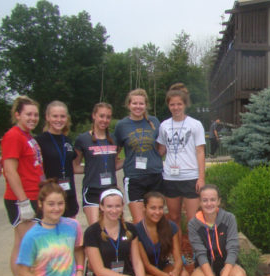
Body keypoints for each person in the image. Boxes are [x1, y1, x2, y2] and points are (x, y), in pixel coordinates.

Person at [83, 189, 168, 276]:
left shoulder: (129, 229)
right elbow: (98, 270)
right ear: (101, 207)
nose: (114, 210)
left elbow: (136, 261)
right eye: (109, 206)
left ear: (123, 206)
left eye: (117, 206)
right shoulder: (92, 232)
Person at [2, 96, 45, 276]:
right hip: (21, 198)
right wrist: (22, 201)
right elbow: (10, 171)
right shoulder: (13, 136)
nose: (32, 118)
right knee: (28, 244)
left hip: (33, 194)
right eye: (28, 114)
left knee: (21, 242)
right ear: (17, 114)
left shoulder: (27, 136)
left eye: (35, 114)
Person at [188, 184, 247, 276]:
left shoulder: (229, 218)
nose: (209, 203)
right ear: (200, 202)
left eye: (213, 200)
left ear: (219, 201)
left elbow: (233, 249)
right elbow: (200, 254)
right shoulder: (193, 224)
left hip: (226, 263)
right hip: (205, 265)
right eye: (205, 200)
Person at [156, 83, 206, 228]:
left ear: (185, 104)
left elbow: (200, 151)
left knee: (193, 220)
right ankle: (177, 251)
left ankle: (195, 251)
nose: (176, 107)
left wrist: (201, 178)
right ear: (168, 105)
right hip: (170, 177)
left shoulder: (195, 124)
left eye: (179, 104)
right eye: (172, 104)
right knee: (173, 218)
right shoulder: (164, 125)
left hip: (190, 177)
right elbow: (161, 150)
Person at [114, 89, 163, 223]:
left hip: (155, 176)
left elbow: (161, 147)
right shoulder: (121, 125)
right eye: (134, 103)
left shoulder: (154, 122)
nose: (138, 106)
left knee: (155, 220)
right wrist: (128, 160)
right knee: (140, 222)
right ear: (129, 105)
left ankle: (156, 245)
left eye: (141, 104)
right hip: (134, 178)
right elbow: (115, 152)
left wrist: (155, 159)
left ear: (146, 105)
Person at [136, 191, 190, 276]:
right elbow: (145, 265)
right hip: (146, 270)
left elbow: (178, 258)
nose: (157, 212)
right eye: (153, 208)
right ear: (144, 208)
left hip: (162, 265)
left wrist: (175, 273)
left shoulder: (170, 226)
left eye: (160, 208)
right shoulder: (137, 230)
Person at [74, 103, 121, 225]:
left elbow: (114, 164)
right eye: (101, 116)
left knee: (111, 228)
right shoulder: (83, 139)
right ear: (94, 116)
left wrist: (129, 160)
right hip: (92, 189)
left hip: (110, 188)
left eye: (108, 117)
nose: (104, 120)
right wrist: (92, 169)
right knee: (95, 229)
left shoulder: (114, 139)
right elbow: (75, 166)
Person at [36, 101, 81, 218]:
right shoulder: (39, 141)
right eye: (55, 116)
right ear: (47, 117)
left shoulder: (67, 140)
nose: (59, 120)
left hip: (69, 194)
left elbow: (74, 167)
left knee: (70, 232)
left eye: (62, 116)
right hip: (50, 196)